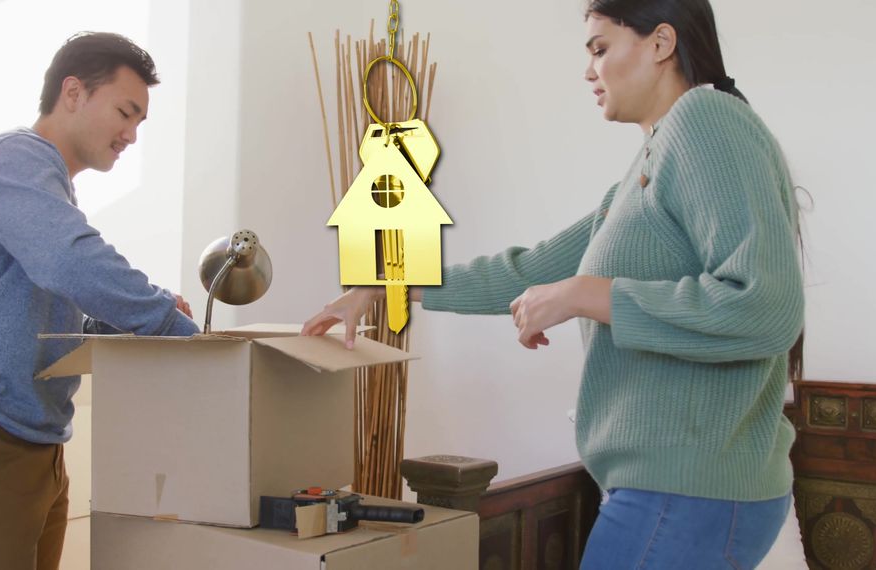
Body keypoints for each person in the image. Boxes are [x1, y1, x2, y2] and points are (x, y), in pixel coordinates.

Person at [302, 1, 805, 567]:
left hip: (686, 491)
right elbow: (529, 270)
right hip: (673, 490)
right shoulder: (648, 166)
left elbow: (765, 308)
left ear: (661, 43)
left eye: (600, 48)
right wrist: (384, 284)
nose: (588, 71)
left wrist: (586, 295)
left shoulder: (704, 120)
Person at [0, 32, 198, 570]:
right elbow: (71, 260)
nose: (131, 134)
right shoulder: (10, 159)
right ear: (74, 92)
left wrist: (124, 327)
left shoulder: (44, 185)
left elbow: (49, 318)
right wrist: (171, 325)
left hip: (30, 441)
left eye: (140, 123)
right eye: (125, 112)